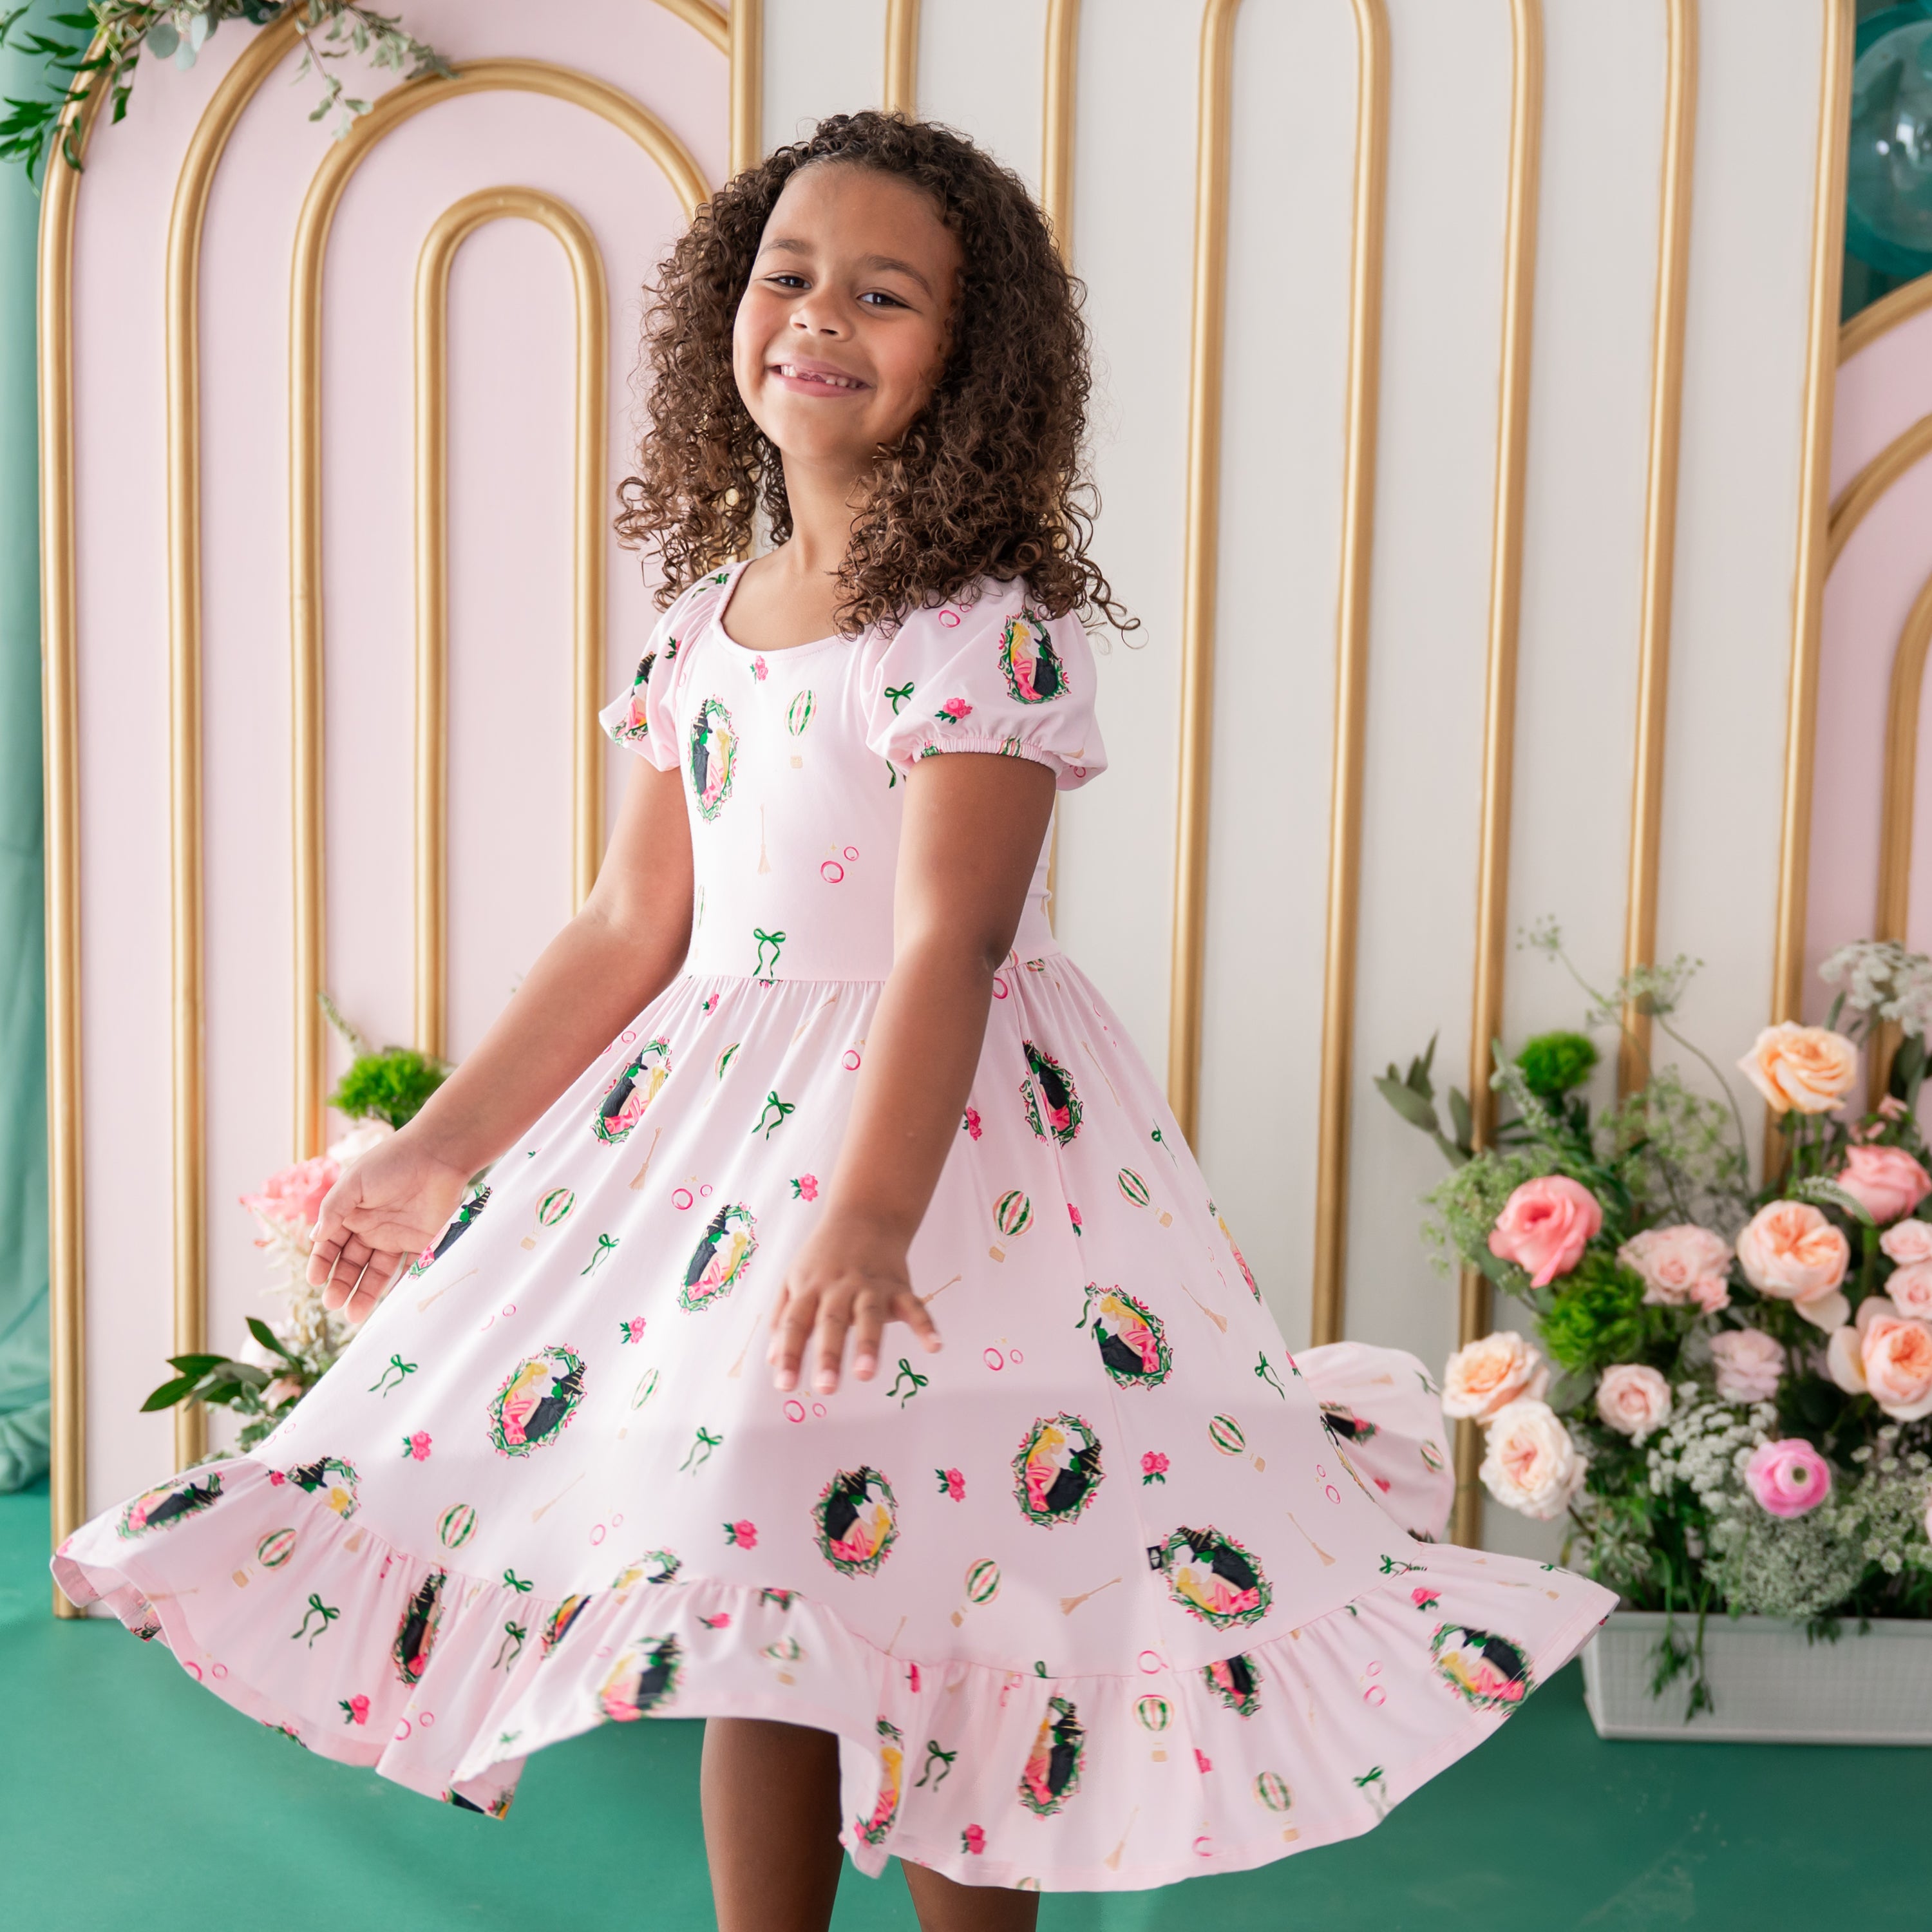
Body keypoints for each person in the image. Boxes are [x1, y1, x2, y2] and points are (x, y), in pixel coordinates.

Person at [53, 111, 1615, 1928]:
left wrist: (872, 1219)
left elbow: (948, 941)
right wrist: (433, 1148)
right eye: (786, 274)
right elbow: (633, 923)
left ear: (970, 361)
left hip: (959, 1171)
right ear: (726, 307)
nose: (819, 316)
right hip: (719, 1162)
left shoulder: (981, 630)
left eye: (885, 293)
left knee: (980, 1579)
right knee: (749, 1579)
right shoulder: (699, 628)